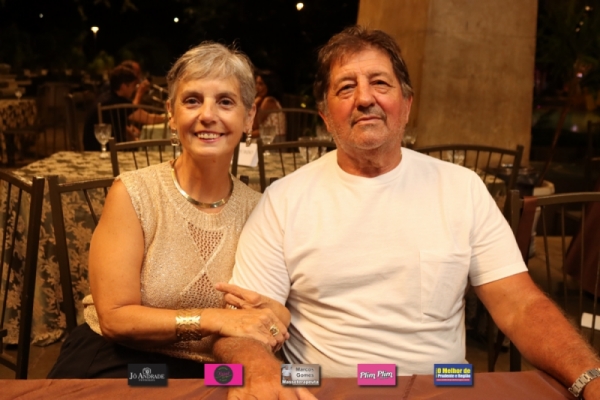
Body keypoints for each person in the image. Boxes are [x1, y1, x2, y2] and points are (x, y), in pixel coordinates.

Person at [214, 26, 600, 399]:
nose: (365, 98)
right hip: (322, 387)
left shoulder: (462, 188)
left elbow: (520, 305)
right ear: (325, 116)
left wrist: (590, 377)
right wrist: (258, 366)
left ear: (407, 104)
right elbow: (242, 327)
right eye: (346, 87)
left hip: (444, 385)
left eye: (380, 83)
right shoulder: (283, 200)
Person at [48, 42, 289, 379]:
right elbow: (115, 318)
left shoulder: (262, 210)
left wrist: (277, 319)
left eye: (225, 101)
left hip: (213, 370)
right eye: (192, 100)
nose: (207, 115)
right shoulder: (133, 193)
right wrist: (212, 318)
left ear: (249, 118)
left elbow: (265, 318)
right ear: (172, 116)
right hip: (123, 360)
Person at [82, 66, 165, 149]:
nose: (134, 89)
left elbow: (121, 126)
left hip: (91, 145)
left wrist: (135, 140)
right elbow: (149, 119)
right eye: (133, 85)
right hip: (104, 147)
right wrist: (168, 117)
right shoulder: (118, 103)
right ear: (123, 86)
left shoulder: (107, 97)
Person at [251, 69, 285, 139]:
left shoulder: (269, 101)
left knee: (244, 134)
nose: (257, 87)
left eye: (261, 84)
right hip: (266, 137)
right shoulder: (267, 100)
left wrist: (255, 102)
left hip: (274, 140)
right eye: (256, 83)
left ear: (270, 85)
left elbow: (254, 125)